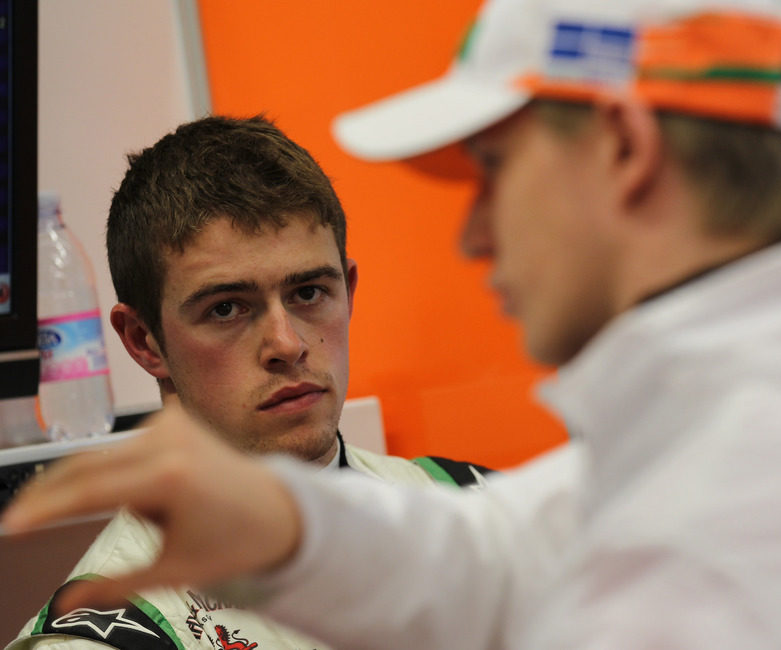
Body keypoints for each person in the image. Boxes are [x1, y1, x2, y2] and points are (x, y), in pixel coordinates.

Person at [5, 0, 781, 647]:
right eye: (228, 304)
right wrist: (291, 530)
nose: (471, 231)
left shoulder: (743, 503)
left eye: (494, 170)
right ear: (142, 338)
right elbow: (499, 554)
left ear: (626, 153)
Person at [5, 115, 492, 650]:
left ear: (348, 293)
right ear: (144, 341)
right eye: (228, 308)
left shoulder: (473, 505)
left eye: (308, 292)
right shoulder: (108, 636)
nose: (286, 344)